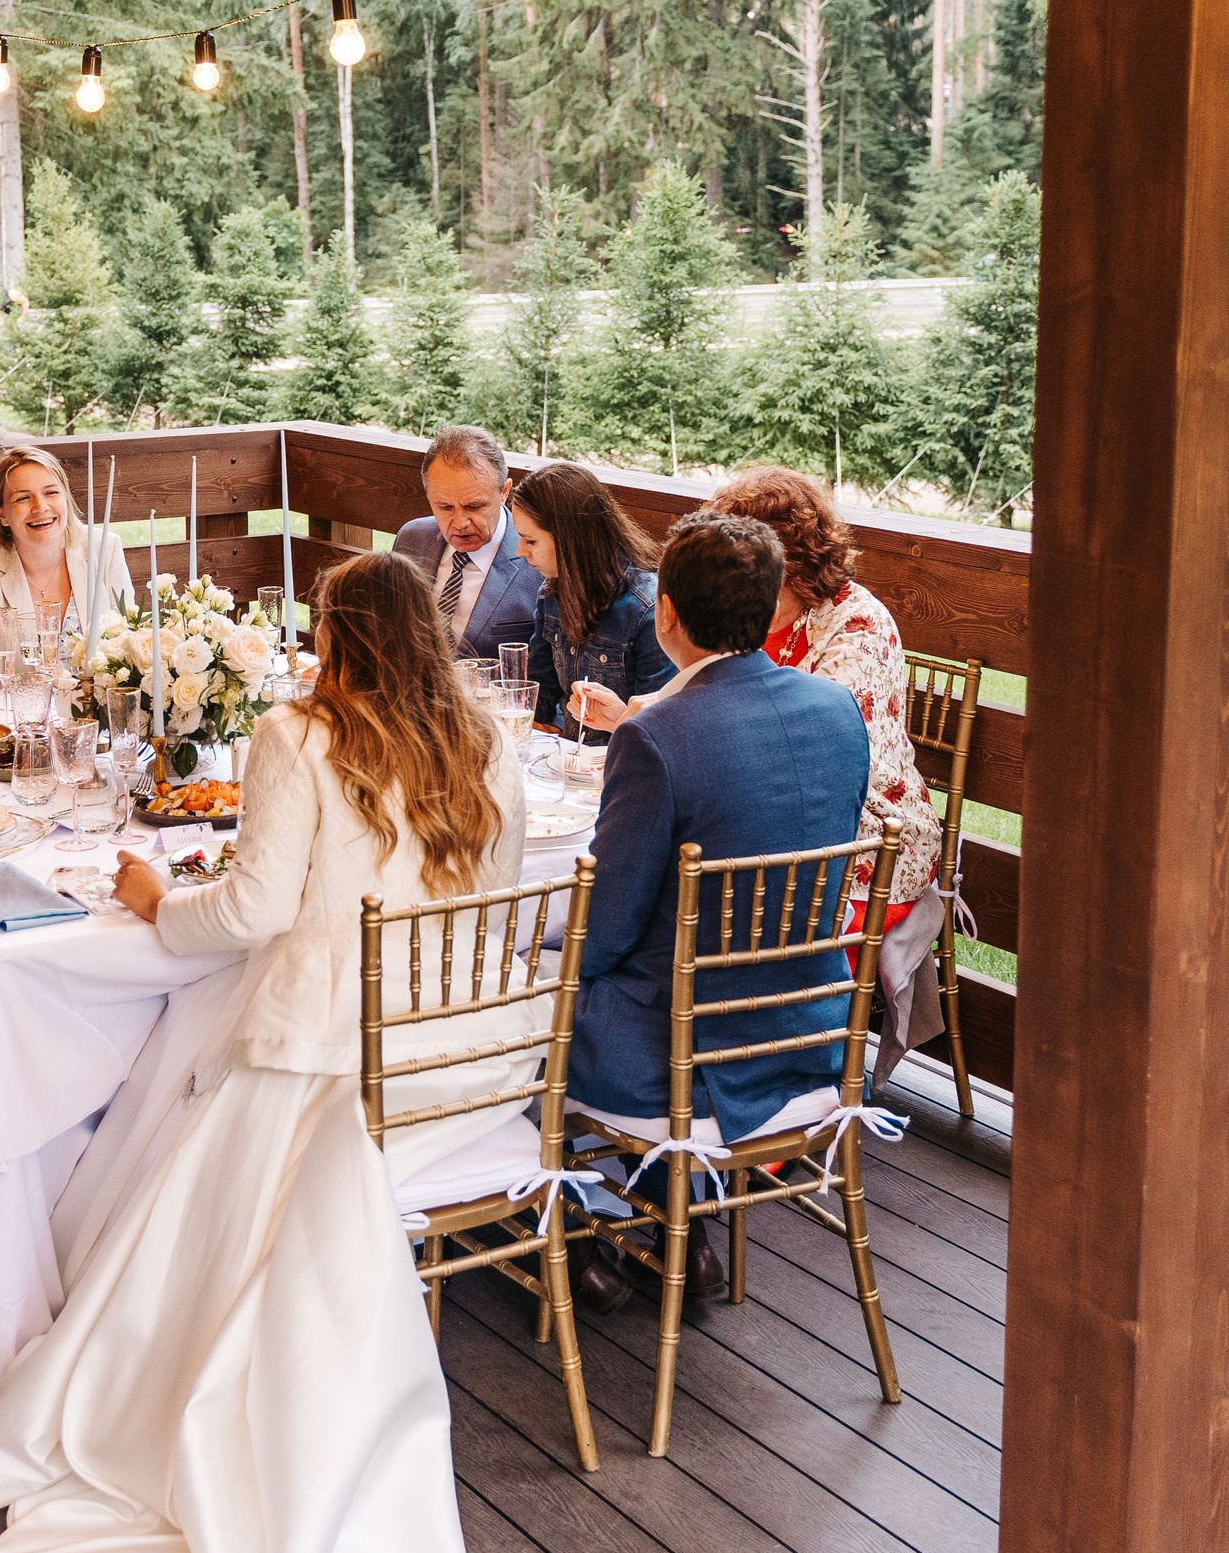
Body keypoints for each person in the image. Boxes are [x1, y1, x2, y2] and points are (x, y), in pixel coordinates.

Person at [0, 553, 538, 1553]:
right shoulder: (486, 736)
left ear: (334, 634)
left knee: (187, 1131)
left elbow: (252, 914)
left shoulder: (297, 734)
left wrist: (157, 902)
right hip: (464, 1046)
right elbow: (491, 899)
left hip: (337, 1052)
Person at [564, 513, 872, 1314]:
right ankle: (673, 1224)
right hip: (809, 1033)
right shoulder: (839, 710)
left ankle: (573, 1226)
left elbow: (605, 931)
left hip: (683, 1061)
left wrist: (547, 955)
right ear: (769, 606)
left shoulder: (658, 735)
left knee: (531, 1005)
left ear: (665, 612)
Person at [576, 469, 948, 1082]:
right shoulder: (746, 617)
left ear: (796, 566)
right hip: (762, 820)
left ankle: (751, 1069)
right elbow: (701, 702)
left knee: (692, 915)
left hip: (859, 839)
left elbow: (810, 754)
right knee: (691, 900)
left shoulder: (856, 627)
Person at [511, 461, 677, 730]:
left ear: (571, 539)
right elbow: (539, 697)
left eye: (531, 541)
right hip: (565, 758)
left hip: (624, 759)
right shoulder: (551, 593)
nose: (520, 551)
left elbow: (658, 727)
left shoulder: (647, 608)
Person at [0, 444, 129, 666]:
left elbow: (125, 649)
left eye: (51, 492)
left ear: (65, 497)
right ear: (1, 514)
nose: (41, 507)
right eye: (22, 498)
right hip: (13, 702)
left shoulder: (105, 548)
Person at [390, 424, 542, 662]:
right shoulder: (412, 539)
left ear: (504, 492)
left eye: (474, 506)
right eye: (445, 507)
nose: (460, 522)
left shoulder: (538, 559)